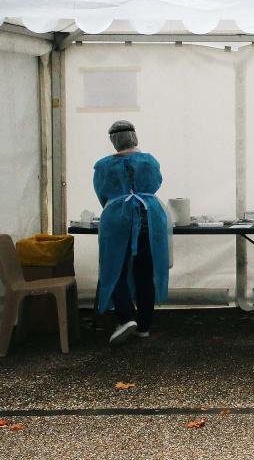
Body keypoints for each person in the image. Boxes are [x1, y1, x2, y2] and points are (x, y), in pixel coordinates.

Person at [94, 121, 170, 346]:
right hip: (150, 215)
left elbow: (103, 193)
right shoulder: (149, 161)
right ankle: (144, 326)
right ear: (134, 136)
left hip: (117, 217)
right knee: (145, 270)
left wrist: (117, 202)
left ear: (114, 140)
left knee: (113, 268)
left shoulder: (103, 166)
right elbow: (155, 184)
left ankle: (126, 317)